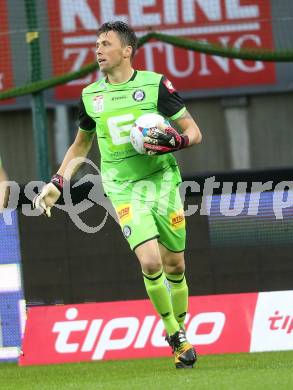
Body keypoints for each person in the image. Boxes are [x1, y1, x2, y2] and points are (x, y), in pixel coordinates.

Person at [33, 21, 202, 368]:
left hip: (162, 183)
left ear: (127, 51)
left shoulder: (156, 85)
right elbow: (81, 144)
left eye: (106, 43)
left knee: (175, 264)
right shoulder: (90, 96)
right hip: (123, 189)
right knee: (151, 261)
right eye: (97, 44)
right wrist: (56, 183)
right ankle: (173, 332)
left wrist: (175, 142)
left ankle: (180, 335)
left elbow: (193, 132)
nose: (98, 50)